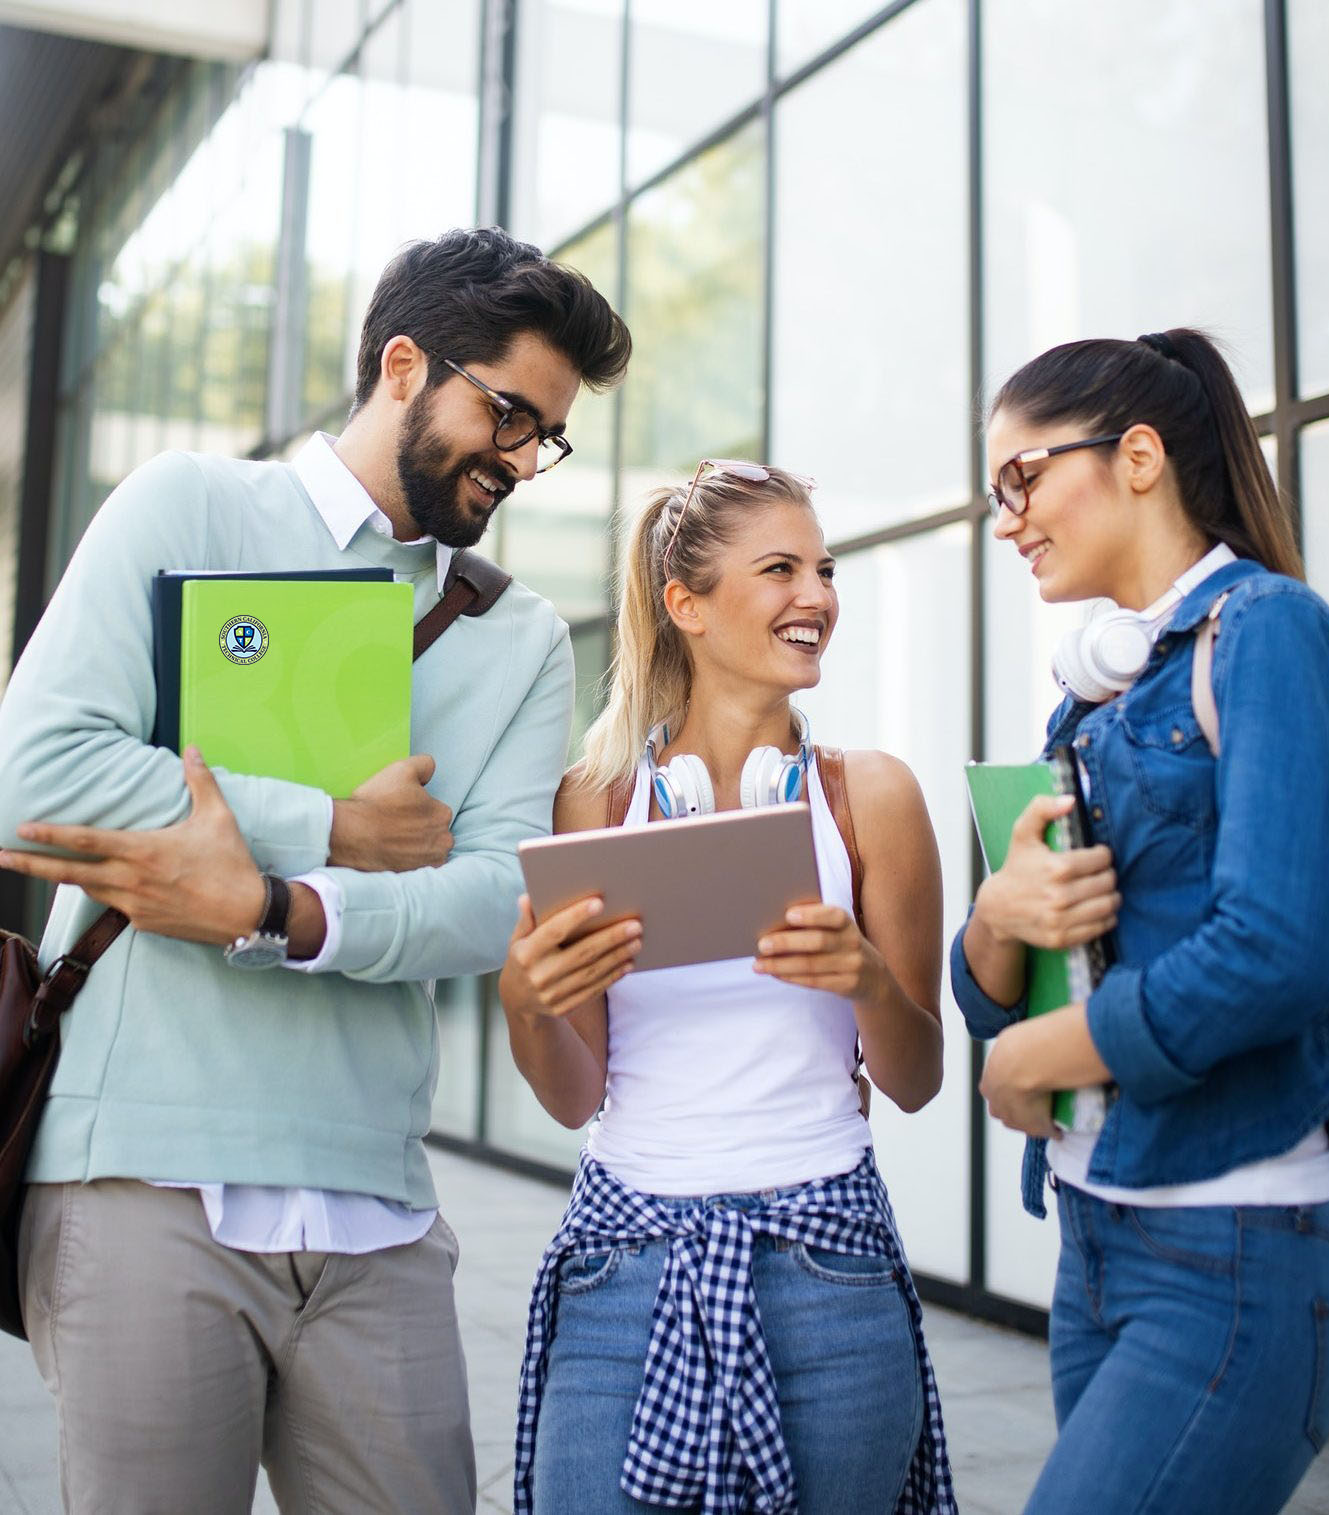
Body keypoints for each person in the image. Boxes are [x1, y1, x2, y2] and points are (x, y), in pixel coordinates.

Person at [0, 225, 630, 1514]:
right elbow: (39, 773)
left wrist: (276, 909)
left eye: (545, 437)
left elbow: (492, 900)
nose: (520, 460)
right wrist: (334, 829)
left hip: (375, 1200)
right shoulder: (193, 505)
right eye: (506, 414)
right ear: (403, 364)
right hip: (139, 1175)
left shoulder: (518, 637)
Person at [498, 460, 957, 1515]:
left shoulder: (871, 798)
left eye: (826, 570)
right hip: (624, 1261)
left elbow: (920, 1078)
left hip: (829, 1263)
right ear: (686, 605)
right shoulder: (595, 802)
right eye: (783, 570)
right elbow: (575, 1092)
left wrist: (868, 984)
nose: (819, 598)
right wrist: (524, 1006)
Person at [953, 328, 1329, 1513]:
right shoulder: (1087, 696)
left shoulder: (1265, 630)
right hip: (1094, 1234)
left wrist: (1048, 1052)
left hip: (1234, 1239)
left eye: (1023, 478)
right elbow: (989, 997)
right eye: (992, 492)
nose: (1005, 518)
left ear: (1140, 457)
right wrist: (998, 918)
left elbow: (1278, 947)